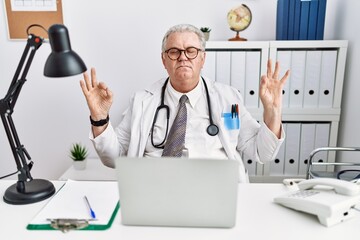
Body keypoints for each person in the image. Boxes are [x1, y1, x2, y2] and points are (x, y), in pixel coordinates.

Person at [80, 24, 290, 182]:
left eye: (191, 51)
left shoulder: (228, 100)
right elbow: (113, 157)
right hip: (155, 190)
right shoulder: (143, 101)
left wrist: (273, 112)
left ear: (202, 58)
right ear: (164, 60)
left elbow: (261, 152)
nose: (183, 57)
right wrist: (100, 119)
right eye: (174, 52)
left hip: (215, 189)